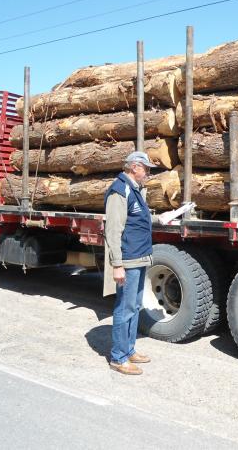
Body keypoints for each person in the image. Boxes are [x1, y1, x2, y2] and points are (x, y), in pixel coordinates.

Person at [104, 151, 158, 376]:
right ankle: (118, 357)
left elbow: (138, 220)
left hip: (139, 257)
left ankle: (129, 349)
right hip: (127, 260)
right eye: (146, 168)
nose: (148, 173)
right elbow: (113, 230)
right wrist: (117, 264)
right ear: (135, 167)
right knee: (124, 308)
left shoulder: (136, 191)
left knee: (135, 307)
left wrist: (160, 219)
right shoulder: (120, 190)